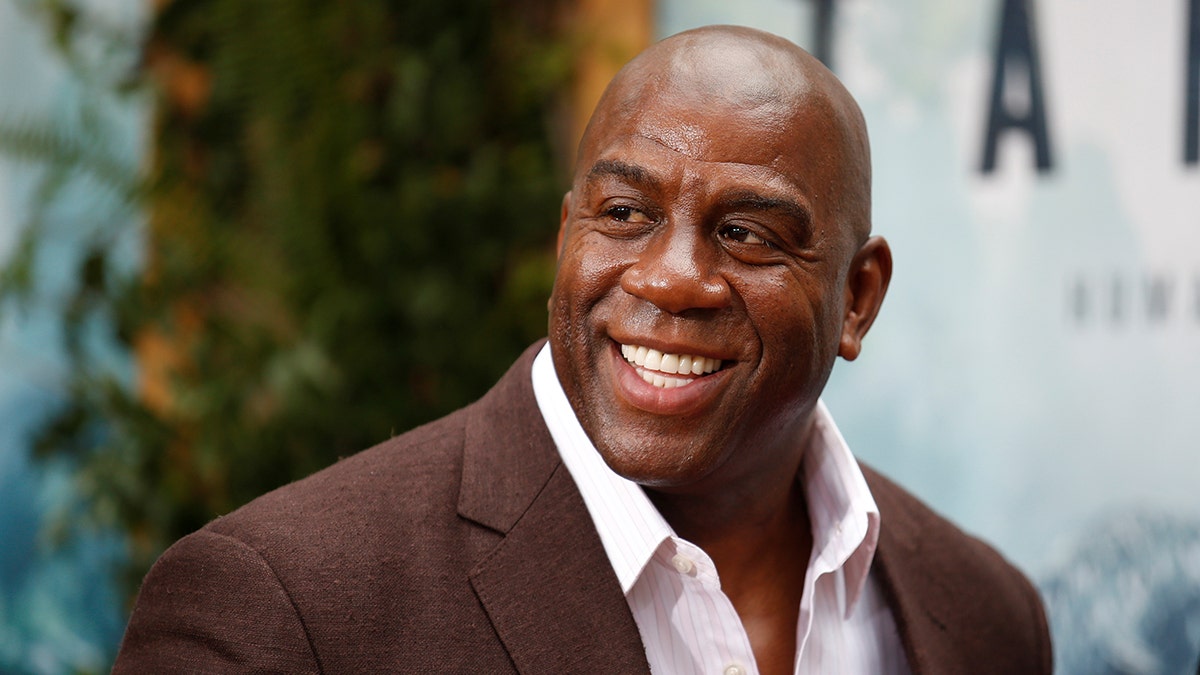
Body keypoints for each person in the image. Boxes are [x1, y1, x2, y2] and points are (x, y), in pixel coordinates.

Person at [113, 25, 1052, 674]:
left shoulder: (981, 615)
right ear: (568, 236)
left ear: (857, 297)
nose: (671, 278)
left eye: (750, 234)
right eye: (626, 214)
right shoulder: (284, 610)